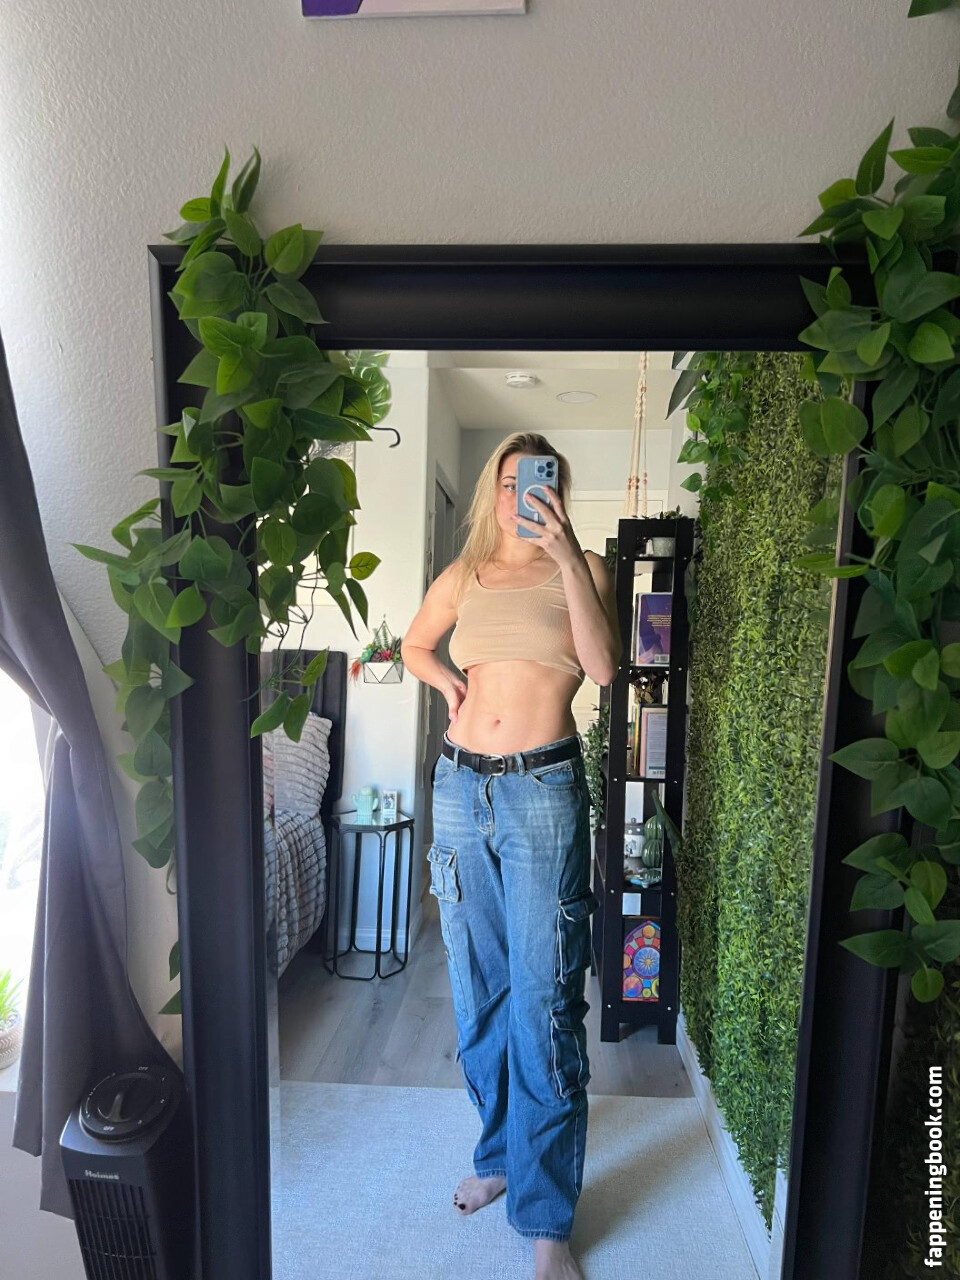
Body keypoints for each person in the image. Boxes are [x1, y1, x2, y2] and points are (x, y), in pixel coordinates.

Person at [401, 432, 621, 1280]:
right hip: (460, 788)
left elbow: (604, 668)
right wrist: (449, 684)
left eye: (537, 482)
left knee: (545, 1000)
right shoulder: (466, 575)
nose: (519, 496)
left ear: (557, 491)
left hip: (542, 794)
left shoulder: (585, 569)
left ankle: (547, 1218)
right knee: (479, 991)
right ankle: (499, 1157)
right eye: (507, 482)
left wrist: (566, 556)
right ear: (492, 493)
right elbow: (415, 645)